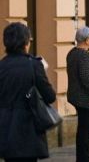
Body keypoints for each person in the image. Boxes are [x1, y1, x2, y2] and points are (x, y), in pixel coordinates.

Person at [0, 22, 57, 162]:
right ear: (26, 42)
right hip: (29, 131)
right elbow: (50, 96)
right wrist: (42, 73)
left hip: (5, 130)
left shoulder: (1, 66)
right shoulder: (34, 65)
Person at [67, 26, 89, 162]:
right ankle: (85, 158)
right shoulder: (85, 56)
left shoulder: (71, 53)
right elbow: (86, 77)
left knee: (82, 130)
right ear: (87, 40)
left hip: (75, 96)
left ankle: (82, 157)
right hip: (86, 99)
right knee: (85, 131)